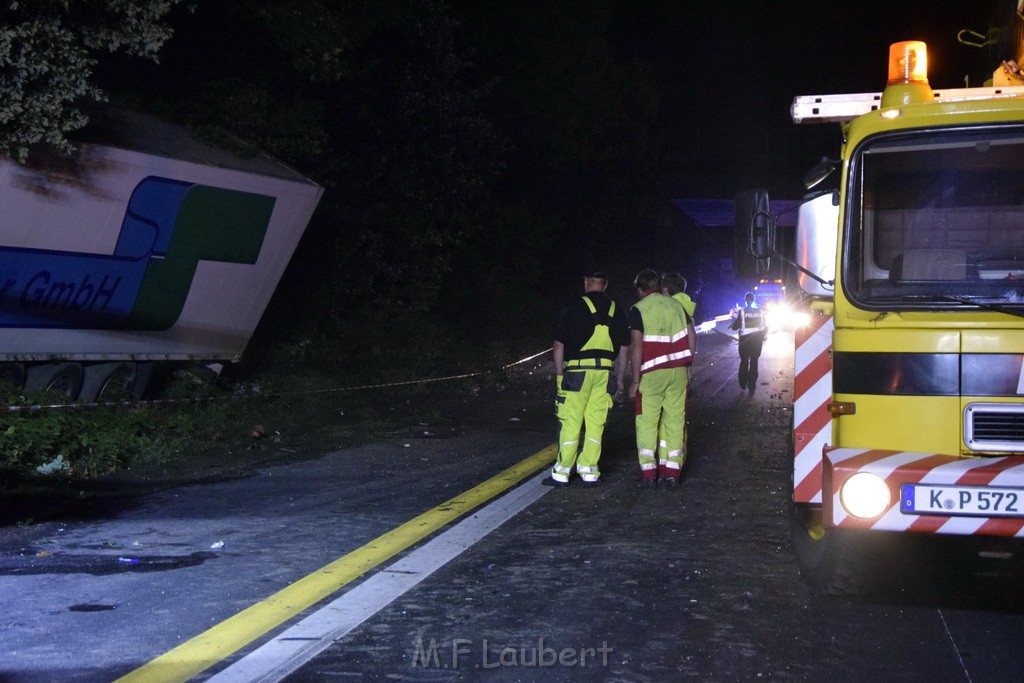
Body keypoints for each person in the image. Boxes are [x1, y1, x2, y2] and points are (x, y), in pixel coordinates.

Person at [545, 270, 630, 487]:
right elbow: (624, 348)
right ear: (605, 284)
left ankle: (562, 472)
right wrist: (620, 378)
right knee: (596, 423)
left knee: (571, 420)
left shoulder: (573, 306)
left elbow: (559, 345)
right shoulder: (616, 309)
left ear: (586, 282)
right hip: (604, 374)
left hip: (576, 374)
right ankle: (590, 471)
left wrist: (559, 374)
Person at [627, 269, 696, 488]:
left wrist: (635, 380)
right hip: (678, 372)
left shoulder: (639, 309)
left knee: (647, 422)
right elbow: (691, 335)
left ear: (641, 289)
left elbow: (637, 345)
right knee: (675, 420)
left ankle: (649, 473)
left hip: (651, 374)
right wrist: (687, 364)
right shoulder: (677, 305)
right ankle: (672, 471)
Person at [659, 272, 697, 470]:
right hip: (681, 367)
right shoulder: (686, 306)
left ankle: (664, 459)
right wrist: (688, 364)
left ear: (666, 289)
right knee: (677, 416)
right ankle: (675, 459)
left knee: (662, 416)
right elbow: (692, 336)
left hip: (661, 366)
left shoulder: (670, 307)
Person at [730, 291, 767, 395]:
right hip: (756, 341)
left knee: (744, 361)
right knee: (754, 362)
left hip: (745, 341)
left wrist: (733, 326)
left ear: (746, 300)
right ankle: (752, 385)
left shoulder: (742, 312)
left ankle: (743, 383)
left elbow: (735, 326)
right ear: (754, 300)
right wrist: (762, 336)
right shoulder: (760, 311)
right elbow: (766, 326)